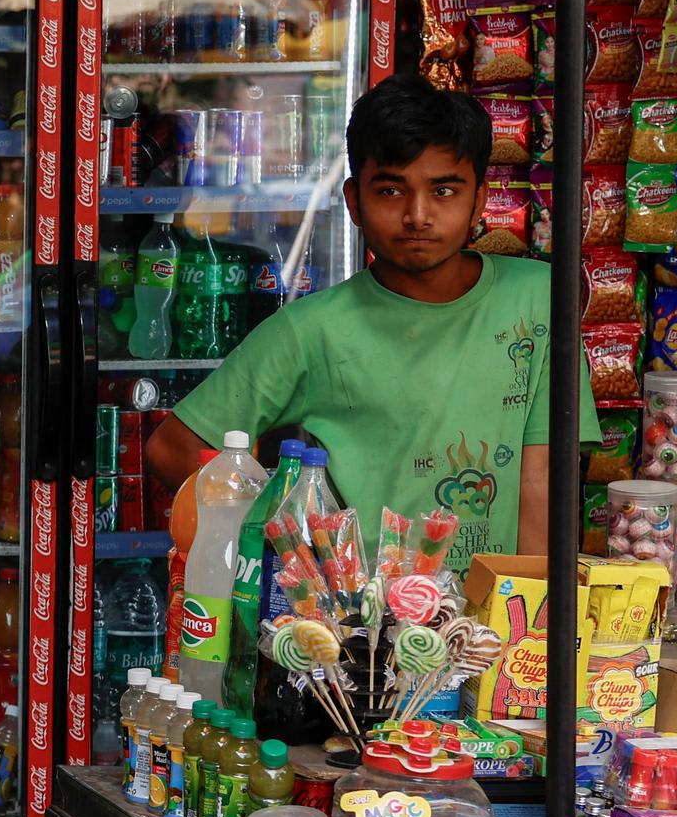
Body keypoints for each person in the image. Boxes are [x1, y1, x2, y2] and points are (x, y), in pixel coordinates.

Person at [146, 80, 598, 569]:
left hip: (495, 624)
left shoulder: (537, 297)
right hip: (360, 629)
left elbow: (542, 481)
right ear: (354, 201)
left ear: (480, 199)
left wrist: (528, 621)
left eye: (444, 190)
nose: (417, 215)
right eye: (390, 190)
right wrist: (288, 536)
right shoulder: (311, 329)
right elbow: (173, 448)